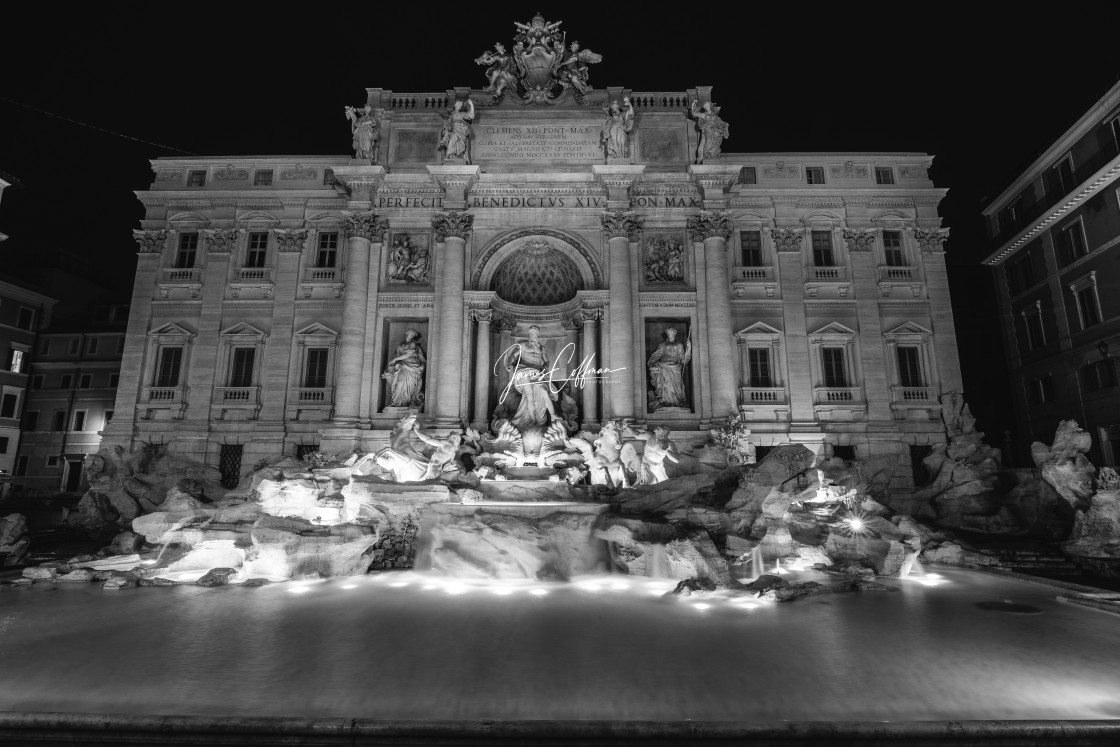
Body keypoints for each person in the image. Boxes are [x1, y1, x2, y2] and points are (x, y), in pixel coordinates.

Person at [504, 325, 560, 430]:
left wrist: (544, 370)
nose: (534, 335)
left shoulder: (541, 348)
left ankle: (553, 415)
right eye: (532, 333)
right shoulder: (523, 344)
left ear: (538, 334)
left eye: (536, 332)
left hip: (536, 373)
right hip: (523, 371)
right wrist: (509, 364)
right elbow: (514, 355)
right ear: (529, 333)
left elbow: (546, 361)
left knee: (543, 391)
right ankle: (533, 419)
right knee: (529, 395)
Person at [647, 327, 692, 409]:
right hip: (664, 367)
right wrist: (651, 362)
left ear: (674, 335)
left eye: (672, 334)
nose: (670, 335)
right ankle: (666, 402)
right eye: (669, 334)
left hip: (676, 369)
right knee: (666, 384)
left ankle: (677, 403)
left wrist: (689, 348)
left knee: (678, 387)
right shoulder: (663, 345)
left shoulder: (679, 345)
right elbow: (657, 355)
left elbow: (684, 360)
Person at [382, 330, 426, 408]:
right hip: (402, 366)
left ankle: (406, 403)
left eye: (413, 335)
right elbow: (397, 356)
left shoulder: (413, 343)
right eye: (410, 334)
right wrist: (395, 363)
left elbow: (408, 354)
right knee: (400, 383)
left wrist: (394, 360)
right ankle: (397, 403)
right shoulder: (401, 345)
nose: (411, 336)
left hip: (412, 366)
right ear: (407, 333)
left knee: (408, 385)